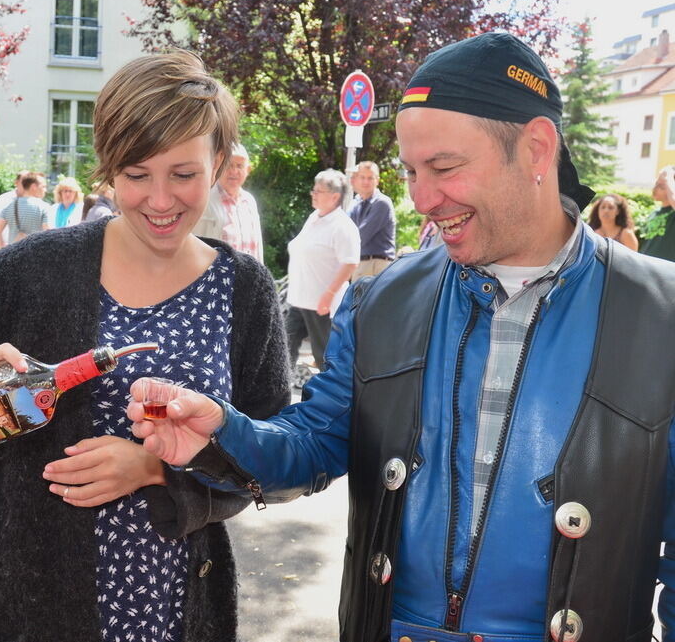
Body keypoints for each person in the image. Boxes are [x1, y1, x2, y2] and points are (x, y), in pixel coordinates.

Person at [129, 32, 675, 642]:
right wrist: (223, 433)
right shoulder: (381, 299)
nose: (420, 198)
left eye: (443, 168)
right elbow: (313, 443)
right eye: (412, 172)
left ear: (536, 149)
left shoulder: (662, 314)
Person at [0, 49, 290, 642]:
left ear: (219, 164)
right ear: (107, 169)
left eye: (183, 174)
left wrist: (158, 470)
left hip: (175, 610)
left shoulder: (244, 290)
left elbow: (274, 456)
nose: (161, 200)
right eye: (136, 175)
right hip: (23, 608)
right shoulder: (36, 268)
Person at [284, 169, 360, 371]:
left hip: (322, 303)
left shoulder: (343, 226)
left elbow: (351, 263)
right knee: (283, 348)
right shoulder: (314, 217)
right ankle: (280, 393)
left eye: (319, 191)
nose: (313, 194)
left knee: (323, 356)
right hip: (299, 299)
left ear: (334, 196)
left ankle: (330, 399)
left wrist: (329, 294)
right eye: (314, 190)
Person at [193, 143, 264, 262]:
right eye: (229, 165)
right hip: (216, 277)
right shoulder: (205, 199)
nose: (234, 171)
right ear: (219, 167)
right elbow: (194, 244)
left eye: (240, 166)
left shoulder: (249, 201)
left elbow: (257, 247)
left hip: (249, 278)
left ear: (248, 170)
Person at [348, 160, 396, 280]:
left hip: (377, 265)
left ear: (377, 180)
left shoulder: (382, 203)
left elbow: (360, 236)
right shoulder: (356, 203)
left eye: (370, 178)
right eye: (362, 177)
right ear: (356, 179)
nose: (366, 181)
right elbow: (345, 231)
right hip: (361, 264)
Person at [0, 172, 50, 248]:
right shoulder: (44, 207)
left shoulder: (10, 206)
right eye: (43, 187)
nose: (45, 190)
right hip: (35, 254)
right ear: (34, 186)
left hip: (13, 255)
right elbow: (48, 233)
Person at [640, 165, 675, 262]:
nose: (655, 188)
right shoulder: (654, 213)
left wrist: (669, 177)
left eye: (662, 186)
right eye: (656, 183)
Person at [0, 170, 29, 249]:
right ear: (16, 182)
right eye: (24, 181)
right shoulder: (4, 199)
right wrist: (0, 246)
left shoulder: (35, 200)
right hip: (7, 248)